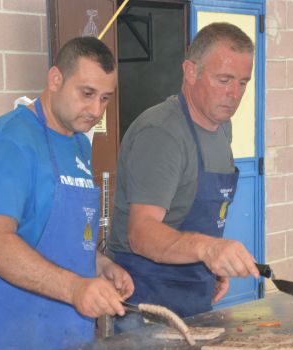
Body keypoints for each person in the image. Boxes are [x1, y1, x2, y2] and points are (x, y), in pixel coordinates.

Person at [0, 37, 134, 350]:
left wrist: (101, 265)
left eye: (105, 98)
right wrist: (76, 289)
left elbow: (62, 235)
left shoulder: (78, 143)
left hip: (57, 338)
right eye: (86, 93)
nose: (96, 109)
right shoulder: (10, 140)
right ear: (55, 79)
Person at [107, 22, 259, 331]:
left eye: (243, 82)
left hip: (194, 295)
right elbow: (142, 233)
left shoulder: (222, 129)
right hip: (146, 303)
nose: (234, 94)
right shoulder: (162, 133)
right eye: (224, 79)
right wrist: (208, 249)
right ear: (190, 71)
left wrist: (211, 264)